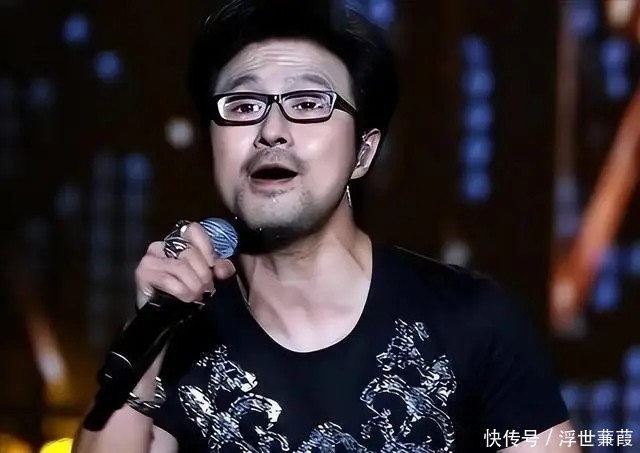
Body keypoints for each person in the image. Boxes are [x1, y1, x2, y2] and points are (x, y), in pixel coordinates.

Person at [73, 0, 580, 451]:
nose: (271, 131)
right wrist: (148, 339)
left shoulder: (472, 319)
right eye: (244, 106)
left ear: (363, 152)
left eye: (308, 104)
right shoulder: (179, 338)